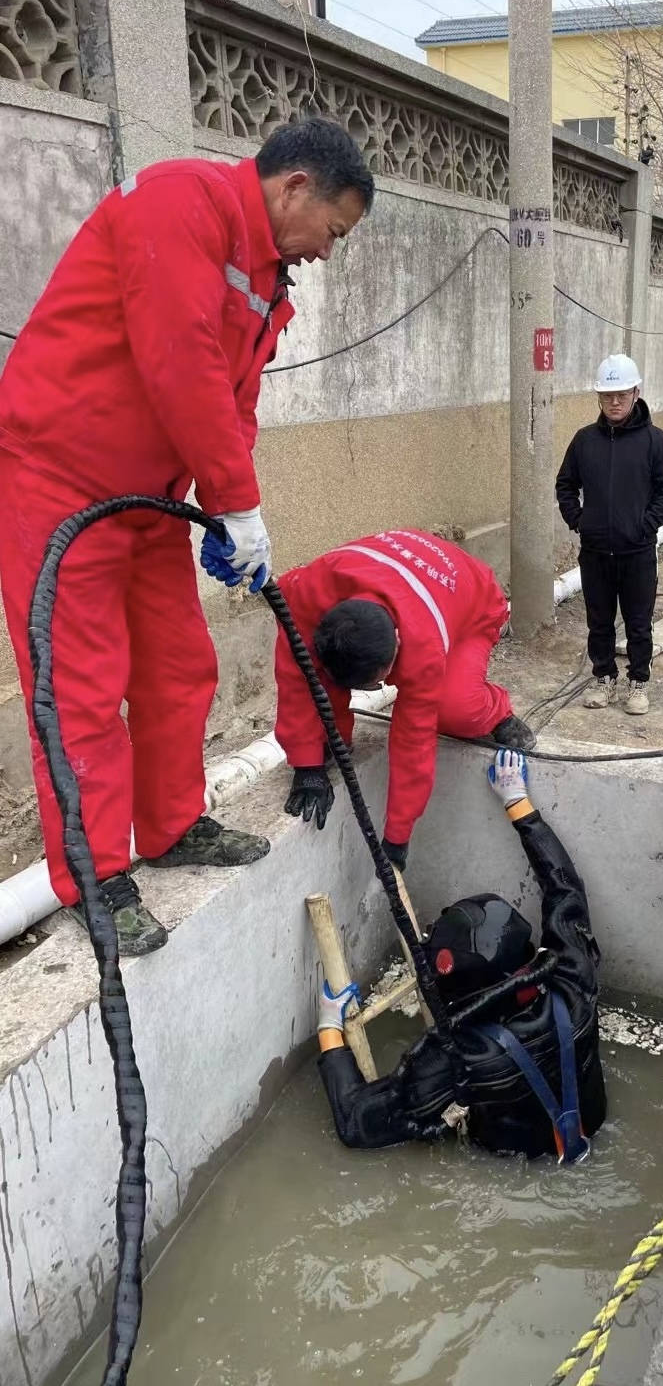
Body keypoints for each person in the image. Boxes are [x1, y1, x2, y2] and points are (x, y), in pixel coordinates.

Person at [0, 118, 373, 955]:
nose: (327, 251)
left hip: (148, 499)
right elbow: (180, 360)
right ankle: (94, 876)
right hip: (58, 481)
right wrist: (236, 501)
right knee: (82, 688)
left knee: (179, 665)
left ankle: (169, 824)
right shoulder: (181, 203)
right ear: (295, 188)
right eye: (333, 230)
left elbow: (232, 399)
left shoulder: (265, 274)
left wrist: (226, 506)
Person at [316, 749, 605, 1159]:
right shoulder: (572, 977)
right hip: (592, 1129)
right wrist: (518, 802)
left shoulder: (455, 1055)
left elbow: (355, 1122)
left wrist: (329, 1027)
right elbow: (565, 889)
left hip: (508, 1163)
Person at [274, 529, 536, 869]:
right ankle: (329, 737)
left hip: (473, 603)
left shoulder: (424, 645)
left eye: (375, 683)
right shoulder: (305, 593)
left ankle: (496, 711)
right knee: (316, 679)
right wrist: (307, 765)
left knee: (454, 708)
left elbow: (413, 742)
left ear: (397, 642)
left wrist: (397, 839)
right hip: (402, 573)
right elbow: (297, 679)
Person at [555, 354, 663, 716]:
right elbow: (565, 484)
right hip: (595, 552)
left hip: (637, 553)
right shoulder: (584, 441)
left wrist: (646, 525)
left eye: (622, 395)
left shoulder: (654, 442)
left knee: (639, 624)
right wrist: (579, 520)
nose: (614, 402)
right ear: (599, 397)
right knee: (599, 622)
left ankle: (638, 682)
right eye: (607, 396)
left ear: (636, 393)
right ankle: (604, 677)